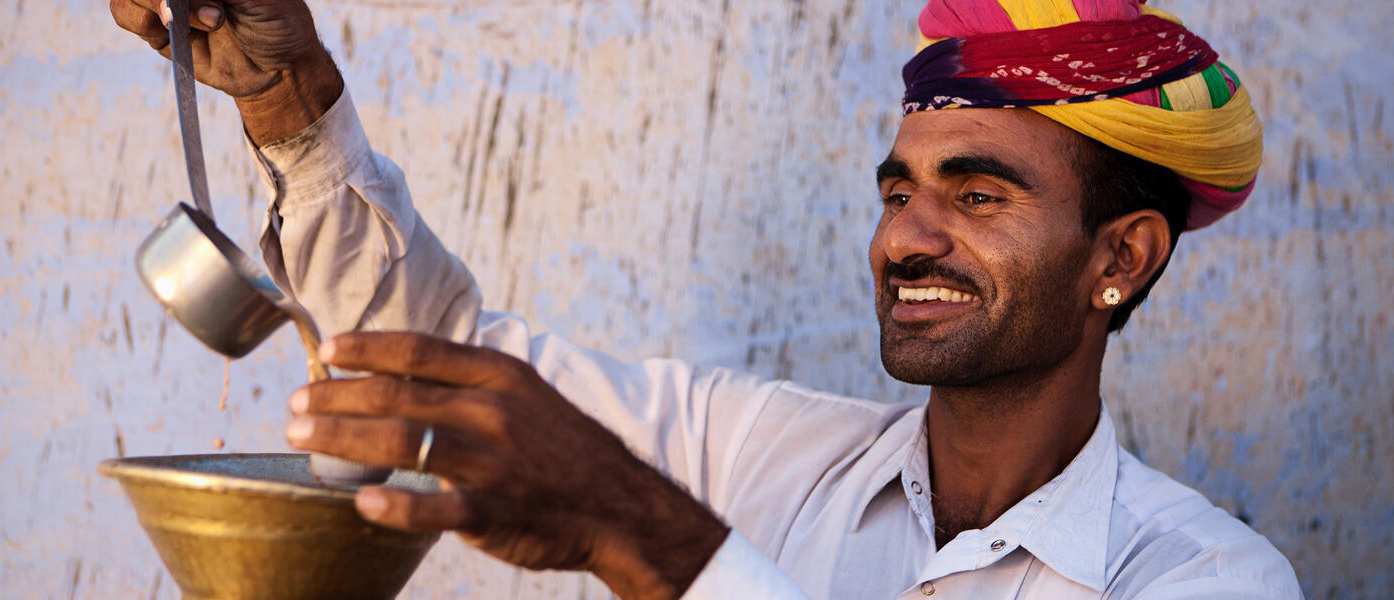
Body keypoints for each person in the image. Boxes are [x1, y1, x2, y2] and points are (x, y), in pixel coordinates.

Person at [110, 0, 1303, 597]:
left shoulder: (1206, 578)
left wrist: (639, 529)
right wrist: (289, 99)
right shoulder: (771, 451)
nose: (908, 236)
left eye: (980, 196)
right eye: (902, 188)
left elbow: (619, 505)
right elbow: (445, 364)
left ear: (1123, 257)